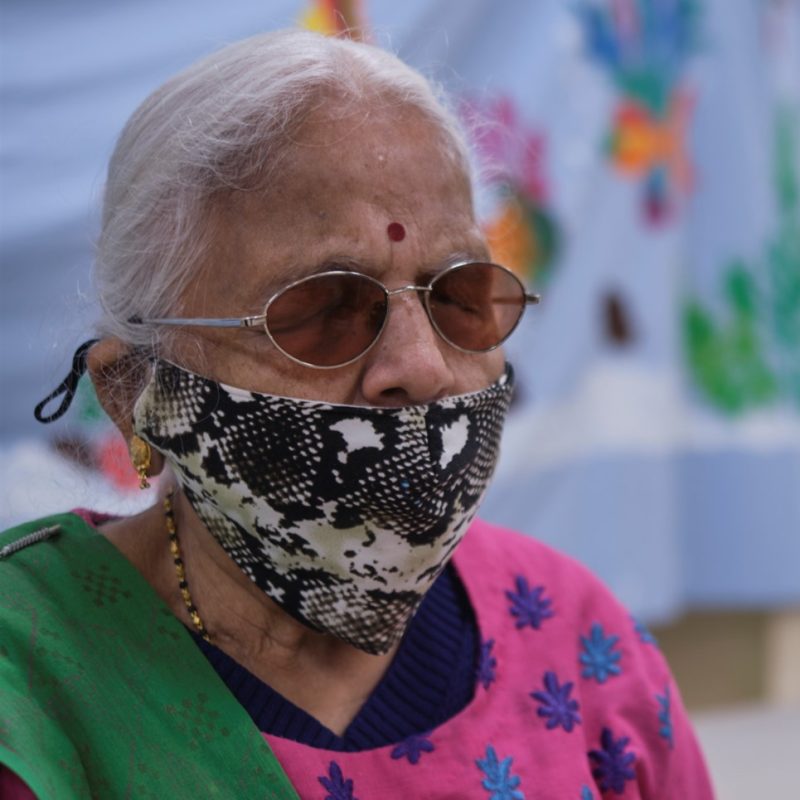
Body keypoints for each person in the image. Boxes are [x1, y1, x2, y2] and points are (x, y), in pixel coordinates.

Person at [0, 29, 715, 800]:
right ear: (136, 392)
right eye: (323, 309)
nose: (423, 366)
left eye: (458, 297)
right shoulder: (29, 678)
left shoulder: (573, 638)